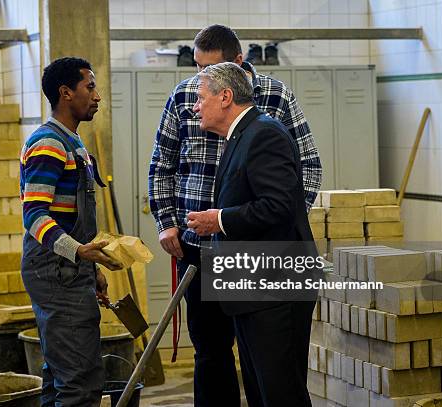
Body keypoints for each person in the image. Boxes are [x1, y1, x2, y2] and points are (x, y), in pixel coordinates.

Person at [148, 24, 322, 406]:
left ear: (231, 83)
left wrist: (273, 230)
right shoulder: (187, 100)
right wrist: (167, 224)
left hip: (257, 254)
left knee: (269, 365)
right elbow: (161, 165)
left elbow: (304, 171)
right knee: (215, 349)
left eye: (209, 74)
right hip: (202, 247)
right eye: (197, 68)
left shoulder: (271, 107)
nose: (199, 85)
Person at [187, 62, 316, 406]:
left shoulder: (264, 133)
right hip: (251, 287)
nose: (194, 106)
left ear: (225, 96)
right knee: (261, 393)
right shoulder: (242, 135)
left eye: (200, 98)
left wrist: (219, 220)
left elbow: (279, 205)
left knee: (281, 394)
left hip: (275, 290)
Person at [19, 57, 122, 407]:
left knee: (61, 377)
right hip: (54, 272)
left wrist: (89, 270)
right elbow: (33, 215)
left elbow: (71, 219)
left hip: (71, 272)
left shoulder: (73, 143)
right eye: (89, 86)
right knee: (79, 384)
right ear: (66, 93)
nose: (97, 95)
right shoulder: (49, 143)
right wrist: (78, 253)